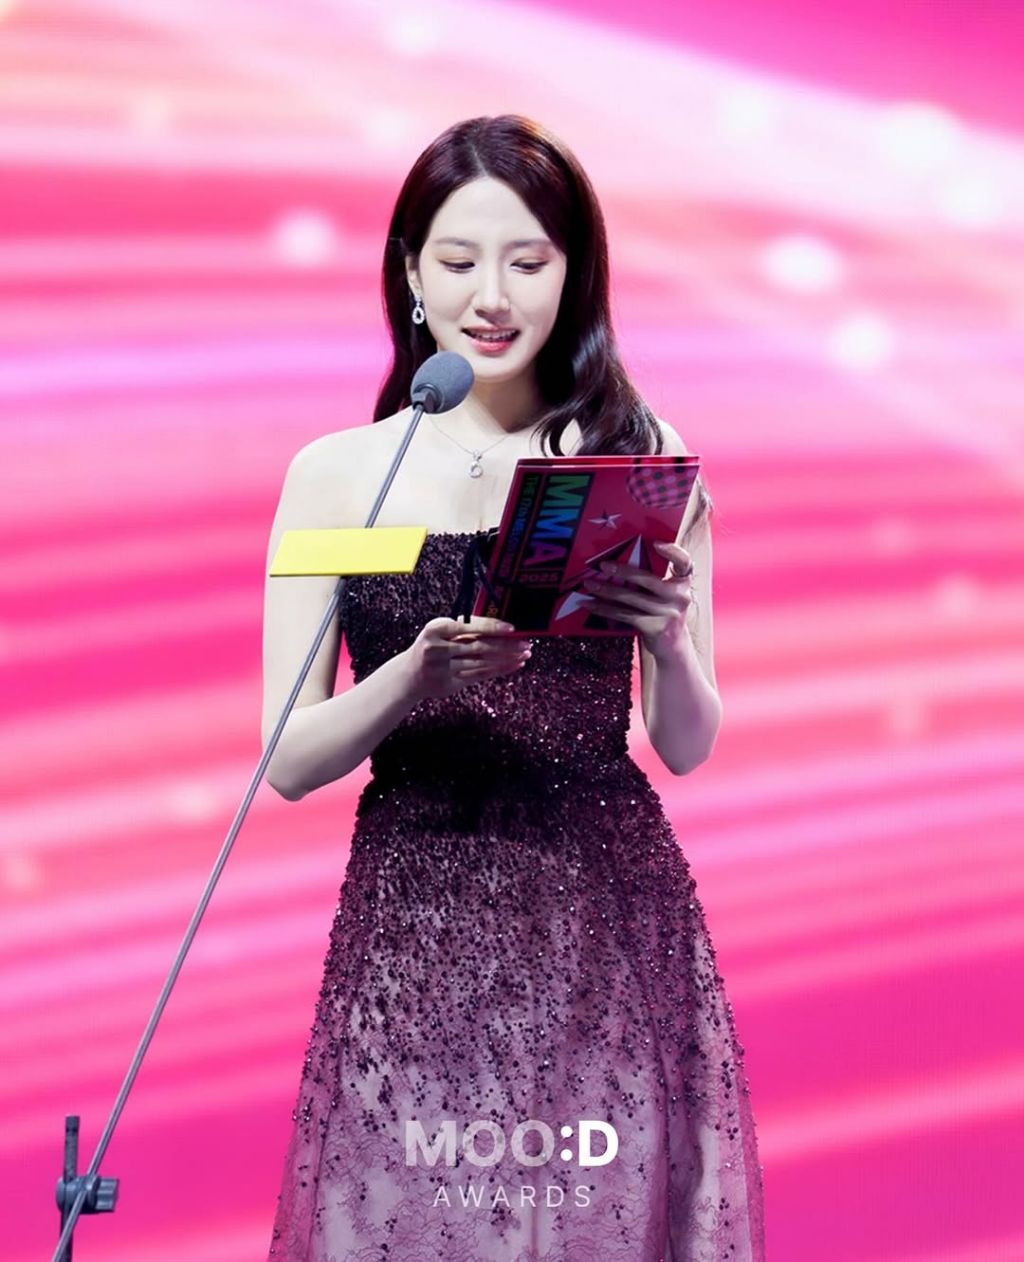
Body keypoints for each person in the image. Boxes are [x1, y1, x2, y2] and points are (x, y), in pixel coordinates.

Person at [263, 114, 764, 1261]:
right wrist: (414, 675)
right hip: (418, 920)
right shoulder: (338, 476)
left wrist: (670, 639)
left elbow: (685, 742)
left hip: (602, 916)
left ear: (572, 274)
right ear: (409, 272)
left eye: (528, 262)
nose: (491, 296)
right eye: (458, 260)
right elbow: (286, 759)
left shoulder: (636, 451)